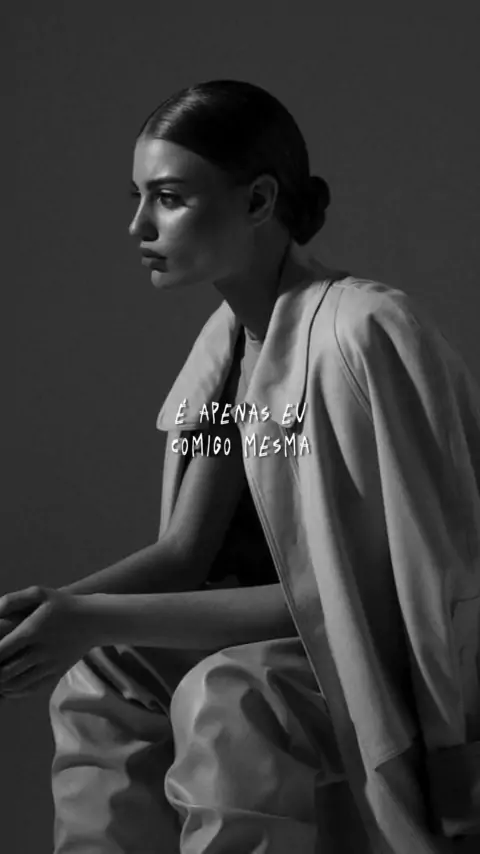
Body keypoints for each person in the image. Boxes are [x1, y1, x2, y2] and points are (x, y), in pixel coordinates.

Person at [1, 79, 479, 853]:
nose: (138, 225)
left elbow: (369, 600)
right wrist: (54, 611)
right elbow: (185, 554)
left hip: (384, 658)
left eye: (168, 198)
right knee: (102, 677)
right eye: (138, 197)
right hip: (295, 642)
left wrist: (91, 616)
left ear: (258, 201)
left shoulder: (364, 336)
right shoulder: (227, 348)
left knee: (226, 699)